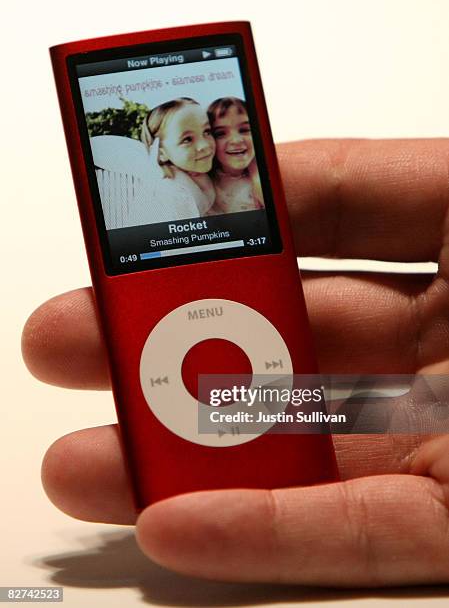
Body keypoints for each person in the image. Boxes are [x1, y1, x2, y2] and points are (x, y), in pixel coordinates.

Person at [21, 139, 449, 587]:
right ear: (160, 150)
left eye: (204, 134)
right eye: (185, 138)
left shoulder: (229, 192)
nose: (206, 144)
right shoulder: (153, 191)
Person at [128, 97, 216, 225]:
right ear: (162, 153)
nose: (204, 145)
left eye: (207, 131)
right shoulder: (174, 195)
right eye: (187, 139)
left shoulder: (196, 170)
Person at [207, 97, 264, 214]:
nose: (236, 140)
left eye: (244, 130)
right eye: (220, 133)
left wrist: (256, 175)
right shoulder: (206, 180)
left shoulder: (262, 178)